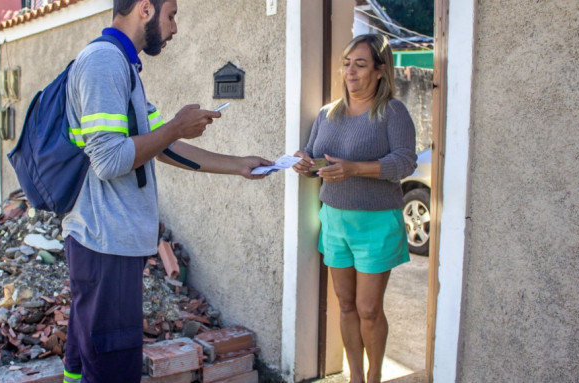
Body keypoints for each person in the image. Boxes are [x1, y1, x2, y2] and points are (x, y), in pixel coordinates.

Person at [60, 1, 272, 382]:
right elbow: (109, 161)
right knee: (111, 369)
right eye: (171, 15)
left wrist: (238, 164)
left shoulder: (122, 68)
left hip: (108, 243)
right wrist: (175, 125)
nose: (174, 28)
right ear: (145, 9)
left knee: (85, 361)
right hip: (106, 243)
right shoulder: (104, 63)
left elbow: (164, 146)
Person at [292, 34, 417, 383]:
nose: (350, 71)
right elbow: (315, 155)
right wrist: (304, 162)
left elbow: (406, 161)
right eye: (347, 63)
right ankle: (356, 378)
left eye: (360, 64)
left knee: (368, 309)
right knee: (345, 306)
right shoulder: (327, 113)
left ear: (380, 70)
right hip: (334, 220)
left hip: (376, 223)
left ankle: (375, 377)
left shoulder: (392, 111)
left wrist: (355, 168)